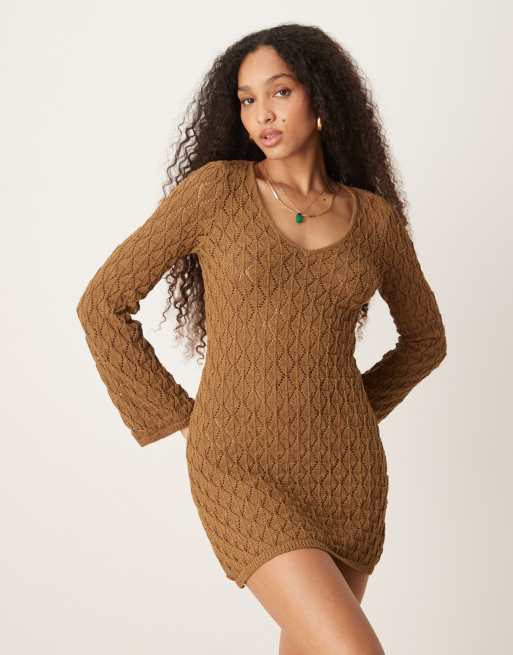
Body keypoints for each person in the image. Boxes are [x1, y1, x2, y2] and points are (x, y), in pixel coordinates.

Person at [76, 23, 447, 655]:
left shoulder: (374, 221)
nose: (262, 114)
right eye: (247, 99)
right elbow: (102, 304)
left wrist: (352, 409)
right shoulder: (217, 192)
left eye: (279, 92)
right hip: (239, 465)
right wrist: (182, 419)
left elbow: (426, 339)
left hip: (346, 474)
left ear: (320, 95)